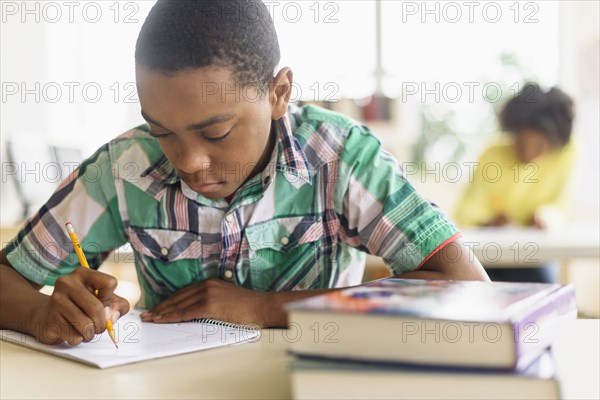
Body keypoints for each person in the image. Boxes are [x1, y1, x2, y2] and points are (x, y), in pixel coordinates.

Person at [0, 0, 488, 346]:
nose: (187, 161)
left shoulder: (340, 157)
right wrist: (41, 311)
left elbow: (468, 289)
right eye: (162, 131)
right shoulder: (125, 167)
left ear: (278, 93)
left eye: (215, 133)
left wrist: (264, 308)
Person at [454, 83, 576, 282]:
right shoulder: (492, 154)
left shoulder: (567, 153)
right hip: (488, 256)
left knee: (540, 284)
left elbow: (563, 205)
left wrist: (547, 216)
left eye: (540, 146)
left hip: (533, 256)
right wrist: (488, 221)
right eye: (520, 143)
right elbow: (465, 213)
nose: (528, 153)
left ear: (555, 142)